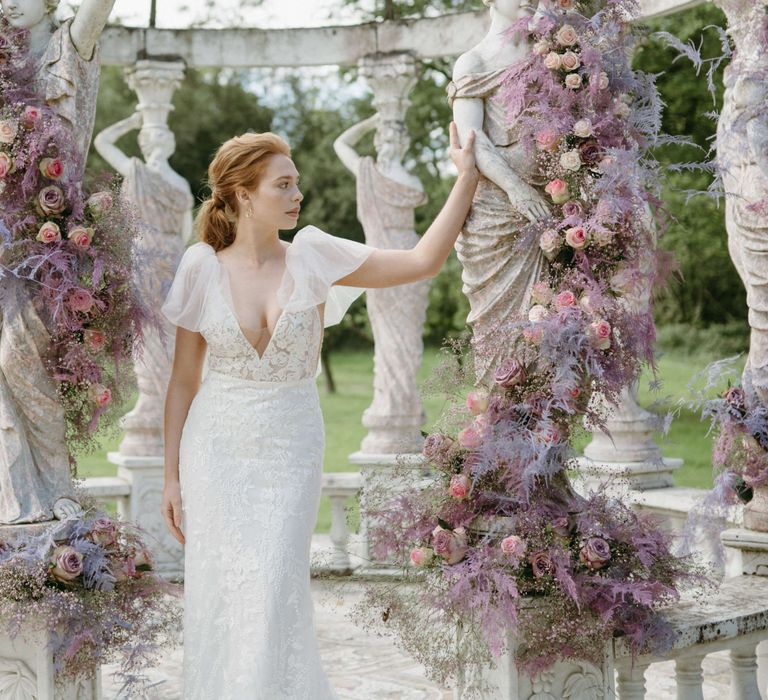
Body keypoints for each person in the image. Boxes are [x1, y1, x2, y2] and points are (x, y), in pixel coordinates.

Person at [160, 124, 477, 698]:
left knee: (277, 579)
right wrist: (171, 477)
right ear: (243, 194)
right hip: (215, 448)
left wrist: (467, 175)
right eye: (283, 184)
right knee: (222, 591)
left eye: (296, 183)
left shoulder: (312, 252)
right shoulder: (200, 266)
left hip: (289, 444)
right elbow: (182, 383)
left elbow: (424, 261)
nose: (297, 194)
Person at [0, 0, 115, 523]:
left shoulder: (70, 49)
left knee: (20, 363)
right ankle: (19, 497)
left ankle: (57, 484)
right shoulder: (6, 66)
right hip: (5, 243)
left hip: (51, 252)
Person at [450, 0, 551, 385]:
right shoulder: (472, 62)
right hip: (497, 214)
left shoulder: (551, 54)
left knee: (551, 330)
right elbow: (473, 143)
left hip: (551, 210)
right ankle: (499, 434)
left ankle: (547, 435)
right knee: (499, 336)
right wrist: (517, 189)